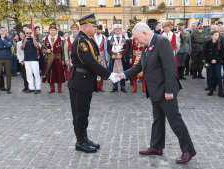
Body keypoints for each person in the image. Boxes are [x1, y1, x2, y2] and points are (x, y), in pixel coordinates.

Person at [116, 22, 196, 164]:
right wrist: (122, 75)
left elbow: (170, 68)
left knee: (175, 121)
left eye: (136, 38)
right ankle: (156, 147)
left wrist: (169, 90)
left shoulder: (162, 42)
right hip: (154, 91)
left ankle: (188, 150)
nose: (136, 41)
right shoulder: (147, 46)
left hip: (165, 90)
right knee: (158, 120)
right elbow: (139, 66)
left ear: (144, 33)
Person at [68, 13, 117, 153]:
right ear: (85, 26)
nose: (95, 28)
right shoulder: (81, 41)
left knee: (84, 112)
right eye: (93, 26)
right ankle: (80, 142)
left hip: (85, 81)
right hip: (79, 82)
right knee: (79, 114)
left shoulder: (88, 39)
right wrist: (109, 75)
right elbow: (90, 62)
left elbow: (95, 60)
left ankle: (84, 138)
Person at [42, 23, 65, 93]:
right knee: (50, 74)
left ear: (56, 31)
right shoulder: (45, 39)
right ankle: (52, 88)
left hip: (58, 59)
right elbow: (42, 49)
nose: (53, 31)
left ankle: (59, 88)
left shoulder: (61, 39)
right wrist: (46, 50)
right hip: (48, 59)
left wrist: (63, 59)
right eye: (51, 30)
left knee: (59, 74)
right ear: (49, 30)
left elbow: (63, 50)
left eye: (54, 30)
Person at [204, 31, 224, 98]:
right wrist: (210, 59)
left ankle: (221, 91)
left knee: (218, 76)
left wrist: (216, 60)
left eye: (218, 35)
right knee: (211, 76)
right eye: (216, 35)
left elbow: (222, 53)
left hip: (218, 62)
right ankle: (211, 90)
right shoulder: (208, 43)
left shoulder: (220, 43)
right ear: (212, 36)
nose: (217, 36)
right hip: (209, 62)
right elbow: (205, 53)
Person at [107, 23, 130, 93]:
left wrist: (122, 55)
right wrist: (111, 54)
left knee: (123, 72)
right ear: (114, 30)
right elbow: (108, 48)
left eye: (119, 29)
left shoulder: (125, 38)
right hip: (113, 58)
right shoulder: (110, 38)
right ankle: (115, 87)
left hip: (122, 58)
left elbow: (127, 48)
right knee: (114, 72)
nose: (117, 30)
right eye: (116, 29)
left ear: (121, 30)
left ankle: (123, 86)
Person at [0, 27, 13, 96]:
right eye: (1, 30)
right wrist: (3, 46)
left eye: (4, 30)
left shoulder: (9, 38)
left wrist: (3, 40)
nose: (3, 32)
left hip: (7, 58)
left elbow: (9, 45)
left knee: (8, 74)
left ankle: (8, 89)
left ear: (6, 31)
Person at [21, 28, 41, 94]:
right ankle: (31, 88)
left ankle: (38, 88)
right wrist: (25, 41)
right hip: (27, 60)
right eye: (27, 33)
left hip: (34, 59)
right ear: (25, 34)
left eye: (30, 33)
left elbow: (36, 45)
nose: (28, 34)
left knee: (36, 74)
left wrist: (33, 38)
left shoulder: (35, 39)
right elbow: (22, 48)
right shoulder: (24, 40)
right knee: (29, 75)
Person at [94, 24, 108, 91]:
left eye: (99, 29)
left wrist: (107, 59)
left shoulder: (104, 37)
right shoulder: (92, 37)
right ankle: (95, 86)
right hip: (95, 56)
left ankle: (101, 86)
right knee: (95, 71)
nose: (98, 31)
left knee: (102, 71)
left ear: (101, 30)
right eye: (97, 29)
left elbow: (105, 49)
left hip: (102, 56)